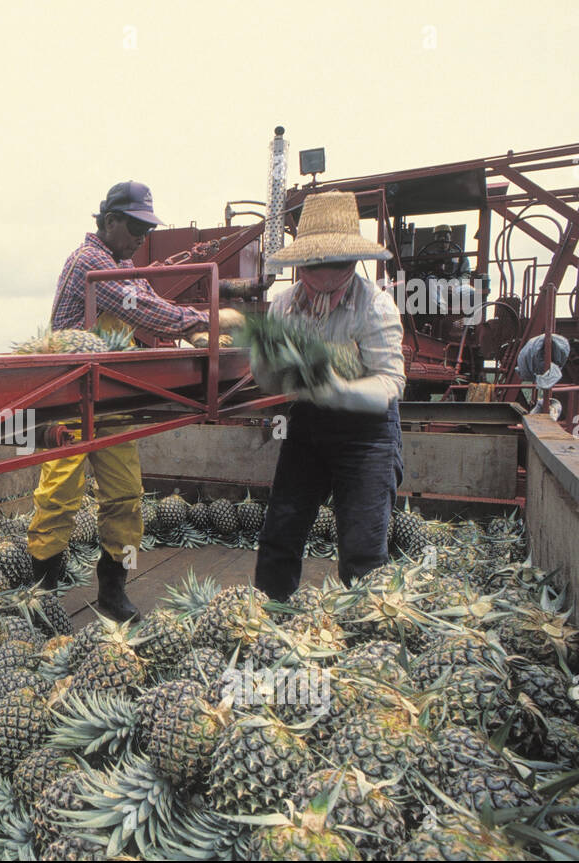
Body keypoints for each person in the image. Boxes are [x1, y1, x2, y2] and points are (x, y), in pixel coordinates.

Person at [28, 181, 238, 621]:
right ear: (109, 222)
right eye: (137, 228)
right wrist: (204, 319)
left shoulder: (124, 264)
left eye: (148, 229)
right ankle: (42, 593)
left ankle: (113, 590)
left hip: (110, 395)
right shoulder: (89, 262)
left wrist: (196, 326)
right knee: (59, 497)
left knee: (125, 496)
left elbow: (151, 300)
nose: (143, 237)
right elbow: (144, 311)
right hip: (70, 396)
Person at [251, 191, 406, 602]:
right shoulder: (282, 307)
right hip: (305, 427)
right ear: (303, 263)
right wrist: (264, 364)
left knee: (362, 549)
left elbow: (390, 383)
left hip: (366, 432)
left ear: (350, 263)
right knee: (280, 533)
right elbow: (268, 381)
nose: (322, 273)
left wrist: (339, 390)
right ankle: (267, 622)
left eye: (332, 263)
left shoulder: (375, 307)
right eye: (314, 263)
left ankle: (366, 643)